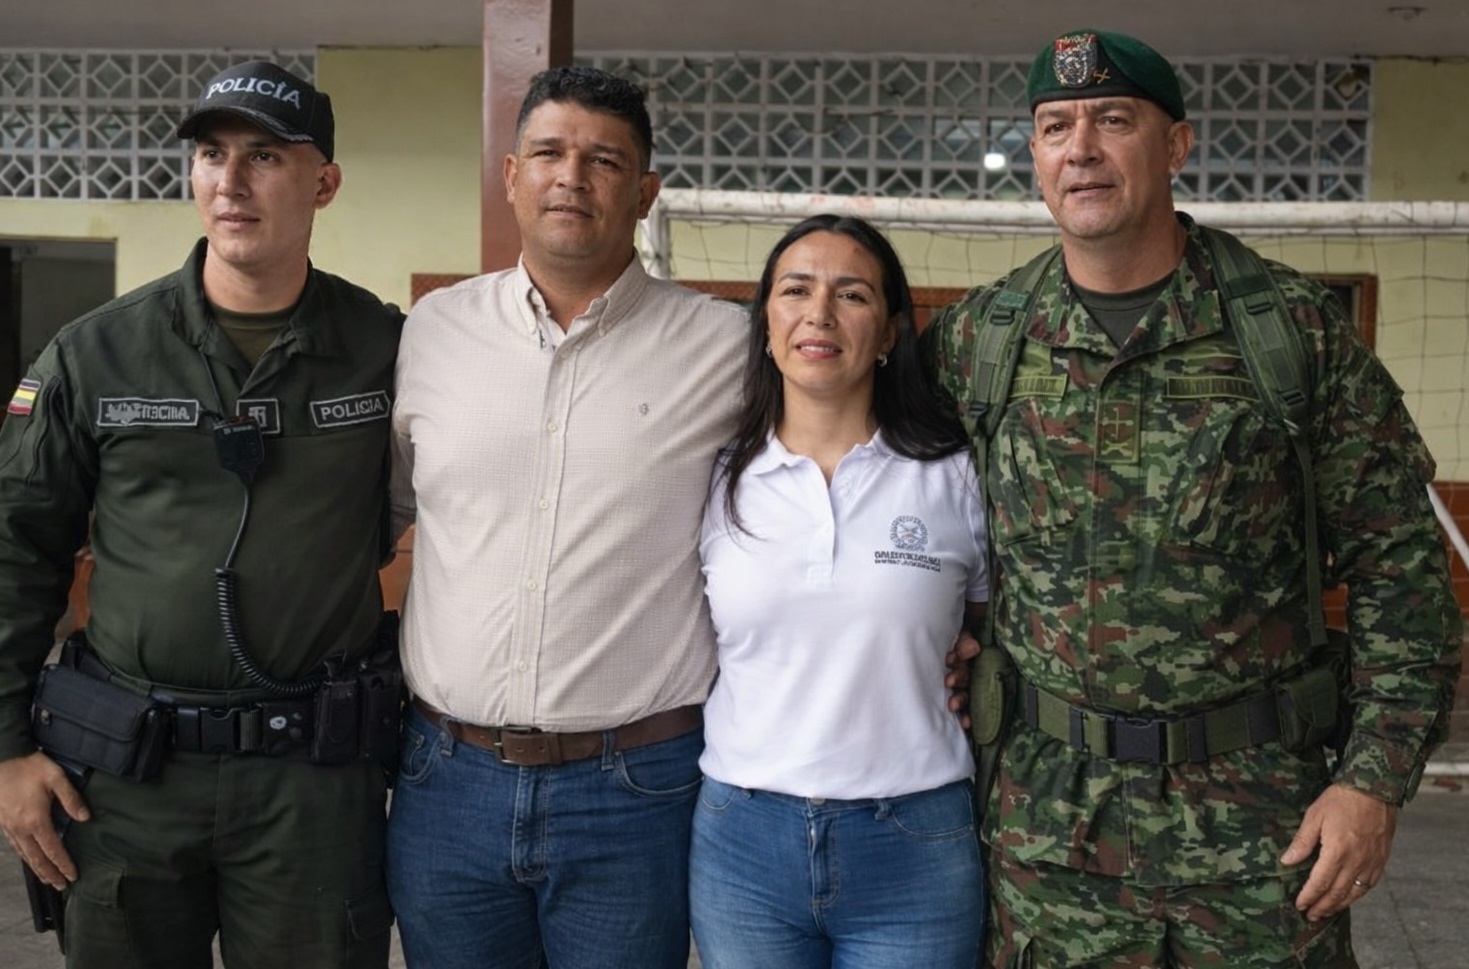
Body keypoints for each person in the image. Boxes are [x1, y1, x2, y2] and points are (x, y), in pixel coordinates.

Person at [922, 28, 1463, 969]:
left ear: (1175, 144)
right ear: (1035, 155)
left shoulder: (1291, 334)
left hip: (1260, 838)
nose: (1080, 149)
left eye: (1112, 120)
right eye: (1054, 127)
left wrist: (1372, 783)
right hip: (1050, 838)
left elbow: (1402, 576)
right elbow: (918, 530)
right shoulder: (977, 343)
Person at [0, 60, 403, 968]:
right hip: (128, 776)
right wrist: (6, 749)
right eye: (212, 154)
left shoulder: (383, 349)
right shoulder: (97, 352)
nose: (230, 181)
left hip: (312, 781)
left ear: (324, 183)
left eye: (264, 156)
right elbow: (15, 549)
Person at [385, 66, 748, 969]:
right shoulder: (432, 331)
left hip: (635, 788)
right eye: (547, 153)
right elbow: (377, 512)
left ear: (645, 192)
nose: (571, 178)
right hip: (445, 778)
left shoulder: (728, 349)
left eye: (603, 160)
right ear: (511, 175)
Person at [689, 214, 987, 969]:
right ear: (765, 323)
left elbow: (989, 626)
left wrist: (970, 657)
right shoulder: (713, 478)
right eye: (795, 290)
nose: (818, 313)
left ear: (888, 333)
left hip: (914, 839)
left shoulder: (954, 475)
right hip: (742, 840)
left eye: (851, 295)